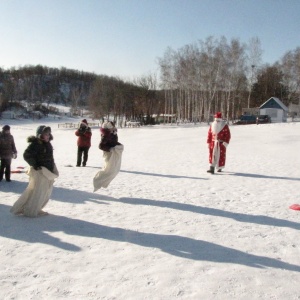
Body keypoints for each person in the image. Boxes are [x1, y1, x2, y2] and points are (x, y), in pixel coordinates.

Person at [10, 125, 59, 217]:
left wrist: (52, 167)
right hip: (40, 172)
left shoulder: (47, 143)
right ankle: (31, 210)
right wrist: (36, 165)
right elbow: (26, 155)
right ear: (40, 135)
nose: (48, 136)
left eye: (48, 134)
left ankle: (36, 208)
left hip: (47, 171)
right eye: (45, 134)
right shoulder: (36, 144)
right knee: (38, 192)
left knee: (44, 192)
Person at [93, 121, 123, 192]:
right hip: (108, 153)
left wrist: (119, 145)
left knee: (114, 170)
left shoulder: (113, 132)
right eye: (112, 126)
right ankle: (97, 181)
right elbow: (101, 146)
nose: (114, 127)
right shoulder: (106, 134)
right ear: (109, 127)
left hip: (113, 153)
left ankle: (102, 183)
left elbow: (113, 142)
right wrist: (110, 149)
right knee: (108, 170)